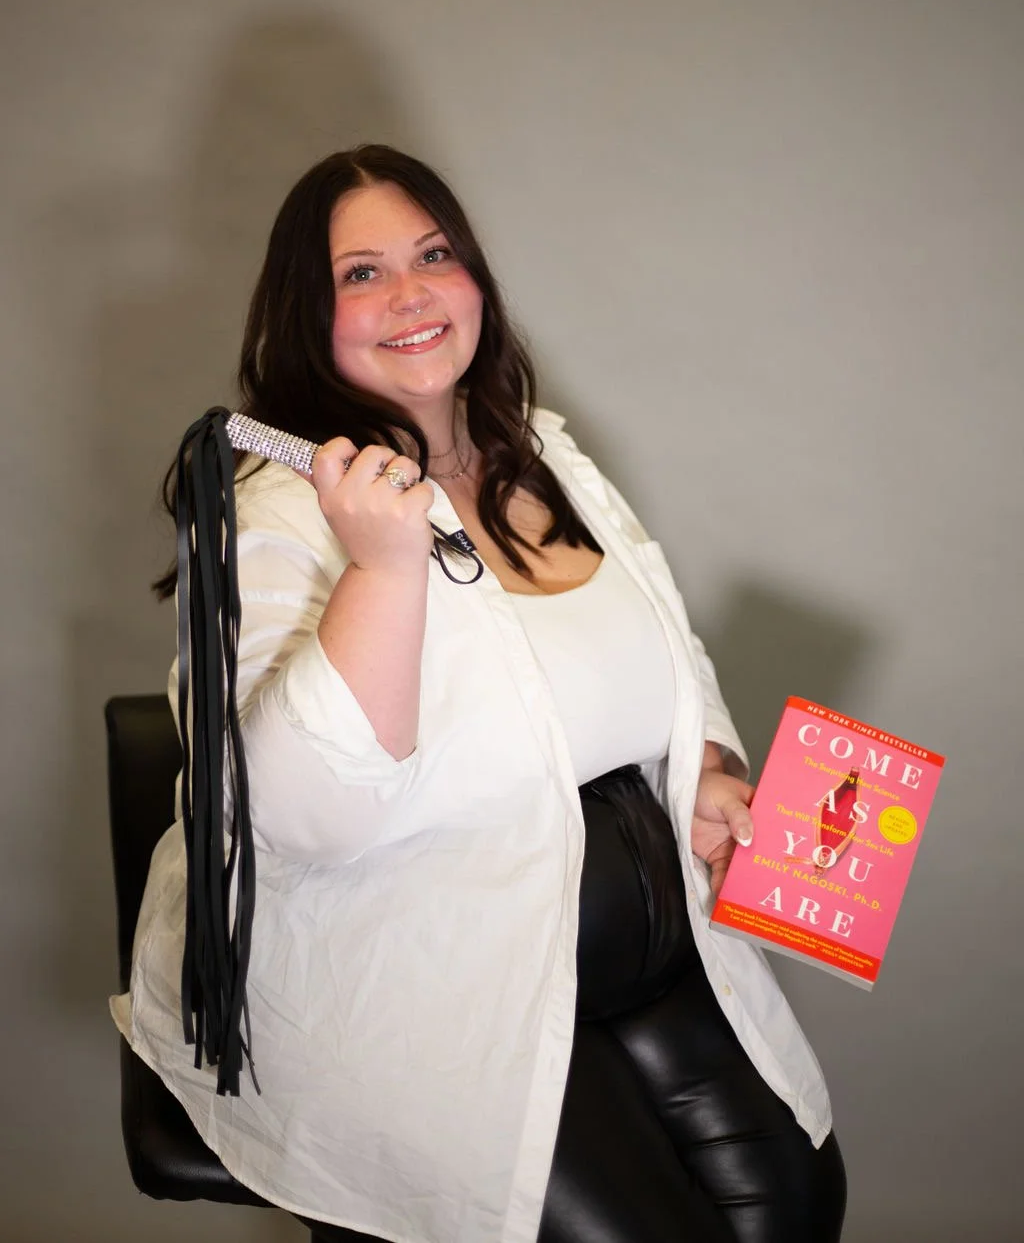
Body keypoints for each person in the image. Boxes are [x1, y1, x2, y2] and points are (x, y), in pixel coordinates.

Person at [112, 145, 846, 1243]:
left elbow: (663, 650)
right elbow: (301, 823)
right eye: (360, 274)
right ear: (306, 314)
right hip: (415, 987)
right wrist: (381, 569)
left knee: (797, 1205)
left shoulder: (542, 449)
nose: (408, 294)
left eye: (433, 254)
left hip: (639, 953)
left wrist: (710, 771)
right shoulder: (277, 511)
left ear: (476, 279)